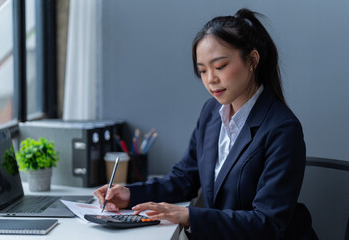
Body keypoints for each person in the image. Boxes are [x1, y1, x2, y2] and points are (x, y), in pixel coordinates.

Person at [94, 8, 318, 239]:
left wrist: (190, 216)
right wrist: (130, 195)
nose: (211, 79)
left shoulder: (282, 128)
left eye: (220, 67)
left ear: (252, 60)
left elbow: (268, 222)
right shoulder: (212, 112)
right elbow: (184, 179)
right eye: (202, 71)